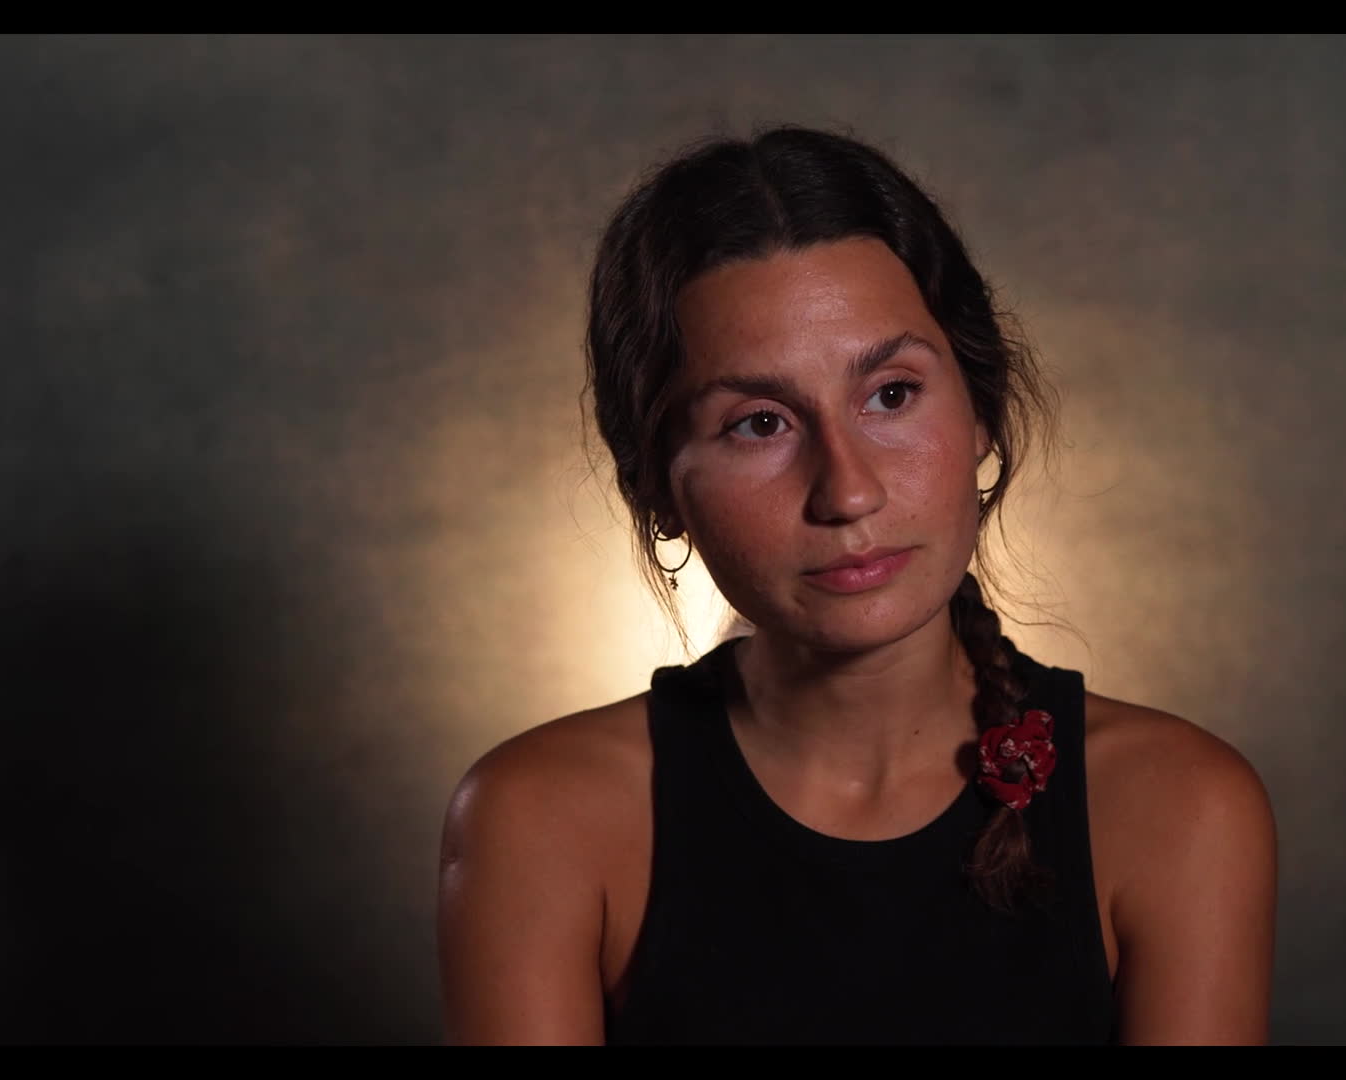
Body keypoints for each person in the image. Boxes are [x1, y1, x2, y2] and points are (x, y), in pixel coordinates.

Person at [436, 126, 1277, 1045]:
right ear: (656, 485)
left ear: (982, 410)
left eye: (891, 394)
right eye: (760, 423)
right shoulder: (540, 820)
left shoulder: (1179, 806)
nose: (848, 491)